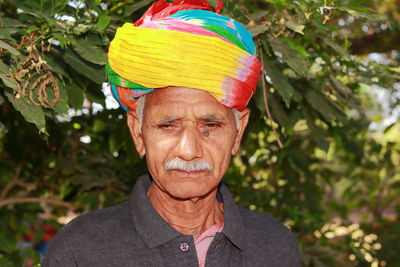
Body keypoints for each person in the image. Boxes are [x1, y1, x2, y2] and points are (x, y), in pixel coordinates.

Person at [43, 0, 300, 266]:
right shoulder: (80, 249)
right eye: (167, 125)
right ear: (138, 133)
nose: (189, 150)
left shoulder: (275, 244)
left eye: (210, 126)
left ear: (238, 132)